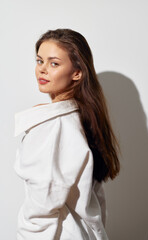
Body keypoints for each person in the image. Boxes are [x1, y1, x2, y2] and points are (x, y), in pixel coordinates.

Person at [14, 28, 120, 240]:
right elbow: (97, 201)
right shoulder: (84, 119)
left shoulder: (51, 125)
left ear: (77, 73)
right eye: (39, 61)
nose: (42, 70)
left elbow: (40, 209)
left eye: (54, 63)